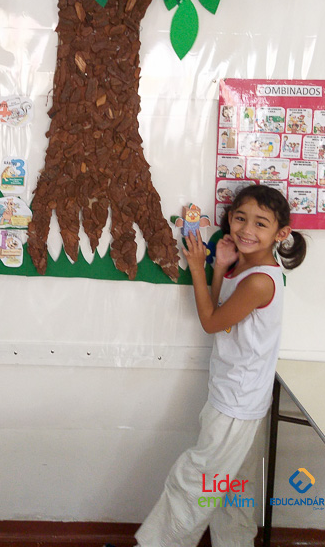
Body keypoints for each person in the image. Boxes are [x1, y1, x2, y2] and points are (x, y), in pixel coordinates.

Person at [135, 185, 307, 547]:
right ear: (230, 218)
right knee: (234, 489)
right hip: (238, 397)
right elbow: (219, 312)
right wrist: (219, 269)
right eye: (241, 218)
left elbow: (211, 322)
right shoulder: (246, 269)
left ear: (281, 233)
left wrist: (198, 267)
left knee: (196, 480)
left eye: (261, 223)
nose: (247, 229)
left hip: (237, 404)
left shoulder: (260, 280)